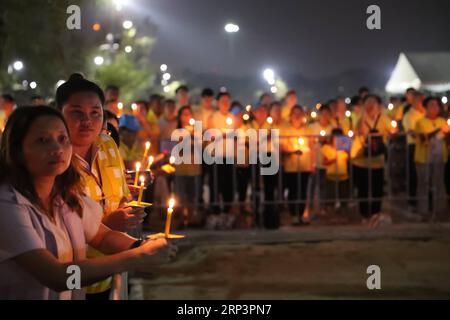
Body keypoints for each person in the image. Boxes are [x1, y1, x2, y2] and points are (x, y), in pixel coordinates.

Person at [0, 106, 175, 300]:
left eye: (62, 138)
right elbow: (58, 277)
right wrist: (137, 257)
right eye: (43, 140)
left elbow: (101, 236)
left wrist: (140, 245)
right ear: (17, 150)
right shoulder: (8, 206)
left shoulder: (64, 195)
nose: (57, 149)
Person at [56, 74, 145, 299]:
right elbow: (54, 231)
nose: (87, 121)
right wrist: (107, 223)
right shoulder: (53, 161)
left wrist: (128, 211)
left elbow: (119, 192)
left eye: (95, 113)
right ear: (59, 114)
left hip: (111, 265)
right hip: (72, 274)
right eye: (77, 112)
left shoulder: (107, 144)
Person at [351, 95, 394, 226]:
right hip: (361, 160)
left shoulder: (384, 119)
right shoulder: (359, 118)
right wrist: (362, 118)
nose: (370, 105)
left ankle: (375, 214)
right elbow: (355, 132)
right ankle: (364, 215)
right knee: (363, 189)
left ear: (378, 105)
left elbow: (393, 131)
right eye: (367, 102)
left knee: (377, 189)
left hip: (377, 161)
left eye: (373, 102)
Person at [414, 97, 449, 217]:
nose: (434, 108)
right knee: (424, 183)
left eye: (436, 105)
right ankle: (423, 210)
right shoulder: (420, 122)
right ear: (426, 108)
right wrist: (437, 132)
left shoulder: (442, 121)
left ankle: (439, 209)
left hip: (440, 157)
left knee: (439, 182)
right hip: (423, 158)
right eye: (431, 105)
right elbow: (423, 138)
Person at [205, 92, 235, 229]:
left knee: (228, 184)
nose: (225, 104)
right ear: (218, 103)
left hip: (229, 156)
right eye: (222, 101)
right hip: (216, 156)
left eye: (227, 101)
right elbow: (209, 134)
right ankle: (215, 211)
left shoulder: (232, 118)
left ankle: (227, 211)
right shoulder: (213, 118)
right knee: (215, 184)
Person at [280, 105, 313, 225]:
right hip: (291, 166)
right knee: (293, 191)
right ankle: (293, 214)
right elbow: (282, 146)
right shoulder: (285, 128)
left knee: (303, 191)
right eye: (295, 113)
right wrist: (293, 151)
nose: (297, 116)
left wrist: (312, 163)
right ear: (291, 116)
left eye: (300, 113)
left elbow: (311, 146)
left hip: (305, 165)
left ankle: (301, 214)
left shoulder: (307, 129)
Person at [172, 106, 202, 227]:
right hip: (181, 167)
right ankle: (181, 218)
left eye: (189, 114)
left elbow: (201, 146)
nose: (187, 117)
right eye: (184, 114)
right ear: (179, 116)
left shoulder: (197, 131)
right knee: (181, 194)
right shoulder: (177, 131)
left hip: (194, 167)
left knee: (193, 194)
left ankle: (192, 217)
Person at [402, 91, 425, 212]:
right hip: (414, 146)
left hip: (427, 147)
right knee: (413, 174)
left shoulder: (425, 113)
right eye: (418, 100)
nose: (420, 103)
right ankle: (412, 201)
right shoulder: (409, 115)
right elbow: (410, 131)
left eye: (422, 100)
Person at [308, 105, 334, 215]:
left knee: (324, 186)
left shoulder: (333, 128)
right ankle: (308, 206)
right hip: (314, 160)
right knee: (312, 185)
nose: (324, 116)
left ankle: (323, 207)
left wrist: (327, 140)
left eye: (327, 114)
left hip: (327, 162)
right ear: (319, 115)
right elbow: (309, 143)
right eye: (322, 114)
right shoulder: (312, 127)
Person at [321, 128, 350, 213]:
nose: (337, 140)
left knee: (343, 195)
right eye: (335, 138)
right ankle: (330, 210)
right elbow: (324, 162)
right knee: (331, 195)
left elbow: (349, 158)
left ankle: (343, 211)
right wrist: (333, 160)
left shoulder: (345, 149)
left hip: (343, 176)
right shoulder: (326, 148)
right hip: (331, 176)